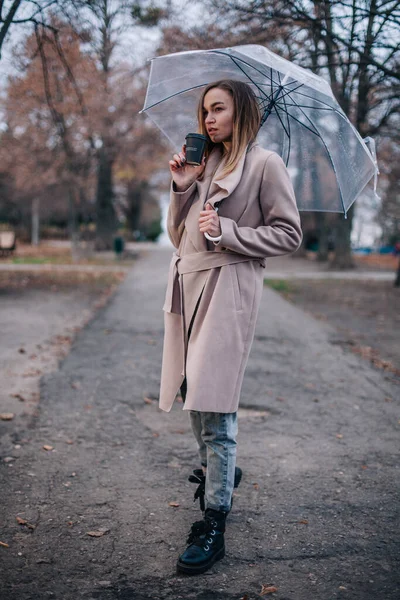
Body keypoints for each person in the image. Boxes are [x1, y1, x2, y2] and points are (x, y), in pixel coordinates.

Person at [159, 79, 303, 575]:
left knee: (215, 404)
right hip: (188, 288)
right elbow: (178, 235)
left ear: (240, 111)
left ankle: (215, 519)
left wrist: (228, 231)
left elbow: (289, 233)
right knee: (191, 393)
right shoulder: (207, 162)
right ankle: (222, 473)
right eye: (204, 111)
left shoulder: (266, 164)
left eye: (217, 109)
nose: (208, 119)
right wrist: (183, 185)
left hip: (229, 291)